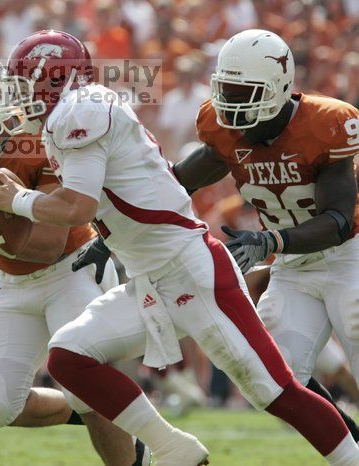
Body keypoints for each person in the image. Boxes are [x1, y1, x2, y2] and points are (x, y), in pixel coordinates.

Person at [0, 29, 359, 465]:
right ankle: (172, 448)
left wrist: (18, 201)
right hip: (152, 277)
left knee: (276, 393)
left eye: (26, 84)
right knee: (68, 357)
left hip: (194, 271)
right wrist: (111, 239)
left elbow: (79, 205)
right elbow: (161, 183)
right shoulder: (77, 112)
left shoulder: (80, 112)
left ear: (55, 80)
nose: (20, 97)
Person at [0, 49, 148, 466]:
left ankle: (129, 453)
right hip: (14, 282)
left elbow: (47, 244)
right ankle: (97, 413)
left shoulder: (42, 134)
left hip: (72, 269)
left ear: (4, 93)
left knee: (86, 386)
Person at [172, 29, 359, 442]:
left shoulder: (325, 123)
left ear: (279, 87)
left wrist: (272, 242)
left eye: (245, 92)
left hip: (350, 255)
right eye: (228, 90)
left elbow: (339, 219)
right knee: (275, 380)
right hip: (293, 266)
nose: (233, 104)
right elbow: (175, 184)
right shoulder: (222, 131)